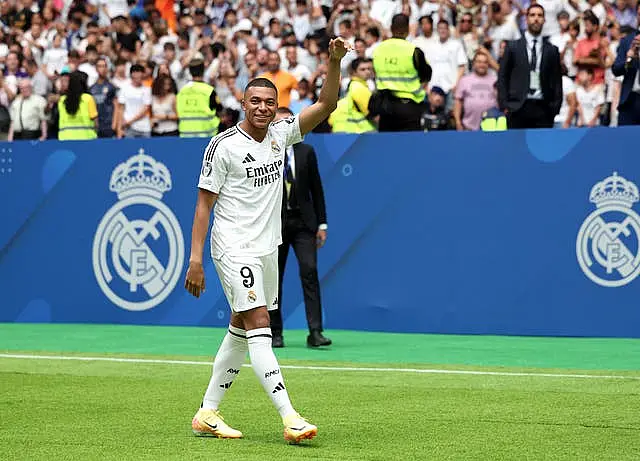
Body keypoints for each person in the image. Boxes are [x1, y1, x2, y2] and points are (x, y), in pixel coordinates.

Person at [183, 37, 351, 444]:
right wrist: (196, 259)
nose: (262, 107)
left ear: (277, 105)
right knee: (260, 322)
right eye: (254, 100)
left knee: (240, 329)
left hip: (266, 248)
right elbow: (204, 205)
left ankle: (207, 412)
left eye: (269, 102)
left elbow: (326, 105)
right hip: (232, 246)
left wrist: (332, 62)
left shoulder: (281, 135)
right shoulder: (222, 146)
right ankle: (290, 416)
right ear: (243, 102)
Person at [270, 106, 330, 349]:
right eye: (279, 123)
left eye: (288, 122)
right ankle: (275, 333)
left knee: (310, 272)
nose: (284, 127)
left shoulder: (307, 151)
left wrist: (322, 224)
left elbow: (317, 189)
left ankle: (315, 332)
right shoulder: (265, 152)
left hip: (305, 224)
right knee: (273, 279)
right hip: (275, 225)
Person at [497, 4, 563, 129]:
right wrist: (505, 105)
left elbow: (556, 81)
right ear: (526, 19)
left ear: (544, 20)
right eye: (532, 15)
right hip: (517, 107)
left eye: (540, 15)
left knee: (542, 148)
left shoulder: (552, 50)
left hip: (544, 108)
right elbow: (503, 76)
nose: (536, 18)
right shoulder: (512, 47)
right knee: (516, 148)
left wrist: (555, 107)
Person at [370, 14, 431, 131]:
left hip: (385, 107)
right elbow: (427, 75)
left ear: (391, 28)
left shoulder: (378, 49)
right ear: (408, 29)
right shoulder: (413, 50)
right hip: (409, 107)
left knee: (388, 146)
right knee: (411, 146)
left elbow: (374, 73)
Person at [176, 55, 222, 137]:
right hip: (206, 136)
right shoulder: (209, 90)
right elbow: (219, 109)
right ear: (203, 70)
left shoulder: (182, 91)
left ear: (190, 71)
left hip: (185, 135)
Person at [612, 5, 640, 125]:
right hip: (629, 101)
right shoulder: (628, 40)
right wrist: (629, 58)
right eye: (639, 14)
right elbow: (616, 69)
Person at [57, 71, 98, 140]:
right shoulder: (88, 98)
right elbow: (95, 123)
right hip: (86, 139)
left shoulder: (61, 100)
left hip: (65, 139)